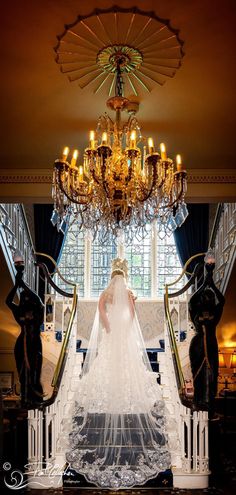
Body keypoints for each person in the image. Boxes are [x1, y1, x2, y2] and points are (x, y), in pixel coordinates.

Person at [64, 258, 171, 489]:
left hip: (113, 330)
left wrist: (108, 325)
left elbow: (100, 309)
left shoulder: (106, 293)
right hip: (122, 332)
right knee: (127, 363)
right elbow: (132, 314)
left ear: (112, 275)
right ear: (124, 275)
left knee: (106, 361)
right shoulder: (129, 293)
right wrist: (124, 326)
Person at [6, 250, 44, 406]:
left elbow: (39, 301)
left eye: (27, 297)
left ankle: (35, 399)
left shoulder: (37, 313)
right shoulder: (19, 311)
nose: (25, 298)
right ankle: (25, 399)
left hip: (34, 344)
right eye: (23, 297)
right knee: (23, 375)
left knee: (34, 374)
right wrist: (16, 285)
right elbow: (8, 301)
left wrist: (24, 285)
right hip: (21, 344)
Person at [188, 252, 225, 414]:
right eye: (205, 297)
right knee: (198, 373)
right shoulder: (195, 313)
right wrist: (203, 285)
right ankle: (198, 401)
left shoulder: (215, 314)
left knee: (211, 374)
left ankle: (209, 403)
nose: (207, 299)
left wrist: (212, 284)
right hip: (197, 346)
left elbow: (221, 300)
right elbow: (191, 301)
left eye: (209, 297)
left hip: (210, 344)